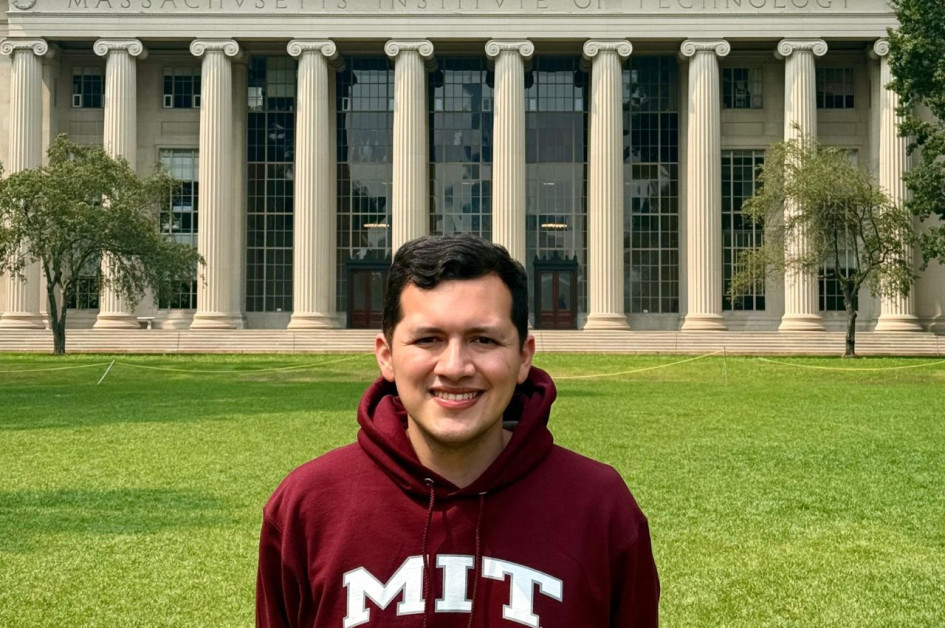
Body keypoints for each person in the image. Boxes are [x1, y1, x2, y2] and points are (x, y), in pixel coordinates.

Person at [256, 234, 659, 628]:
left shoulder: (600, 508)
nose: (454, 367)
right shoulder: (308, 506)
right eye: (428, 339)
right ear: (386, 356)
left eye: (483, 339)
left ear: (524, 357)